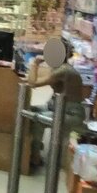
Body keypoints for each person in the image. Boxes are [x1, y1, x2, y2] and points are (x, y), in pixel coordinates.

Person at [27, 39, 86, 168]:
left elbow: (33, 83)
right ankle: (33, 147)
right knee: (30, 110)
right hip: (58, 108)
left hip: (71, 114)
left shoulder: (64, 70)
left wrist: (35, 63)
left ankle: (35, 157)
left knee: (38, 120)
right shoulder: (59, 68)